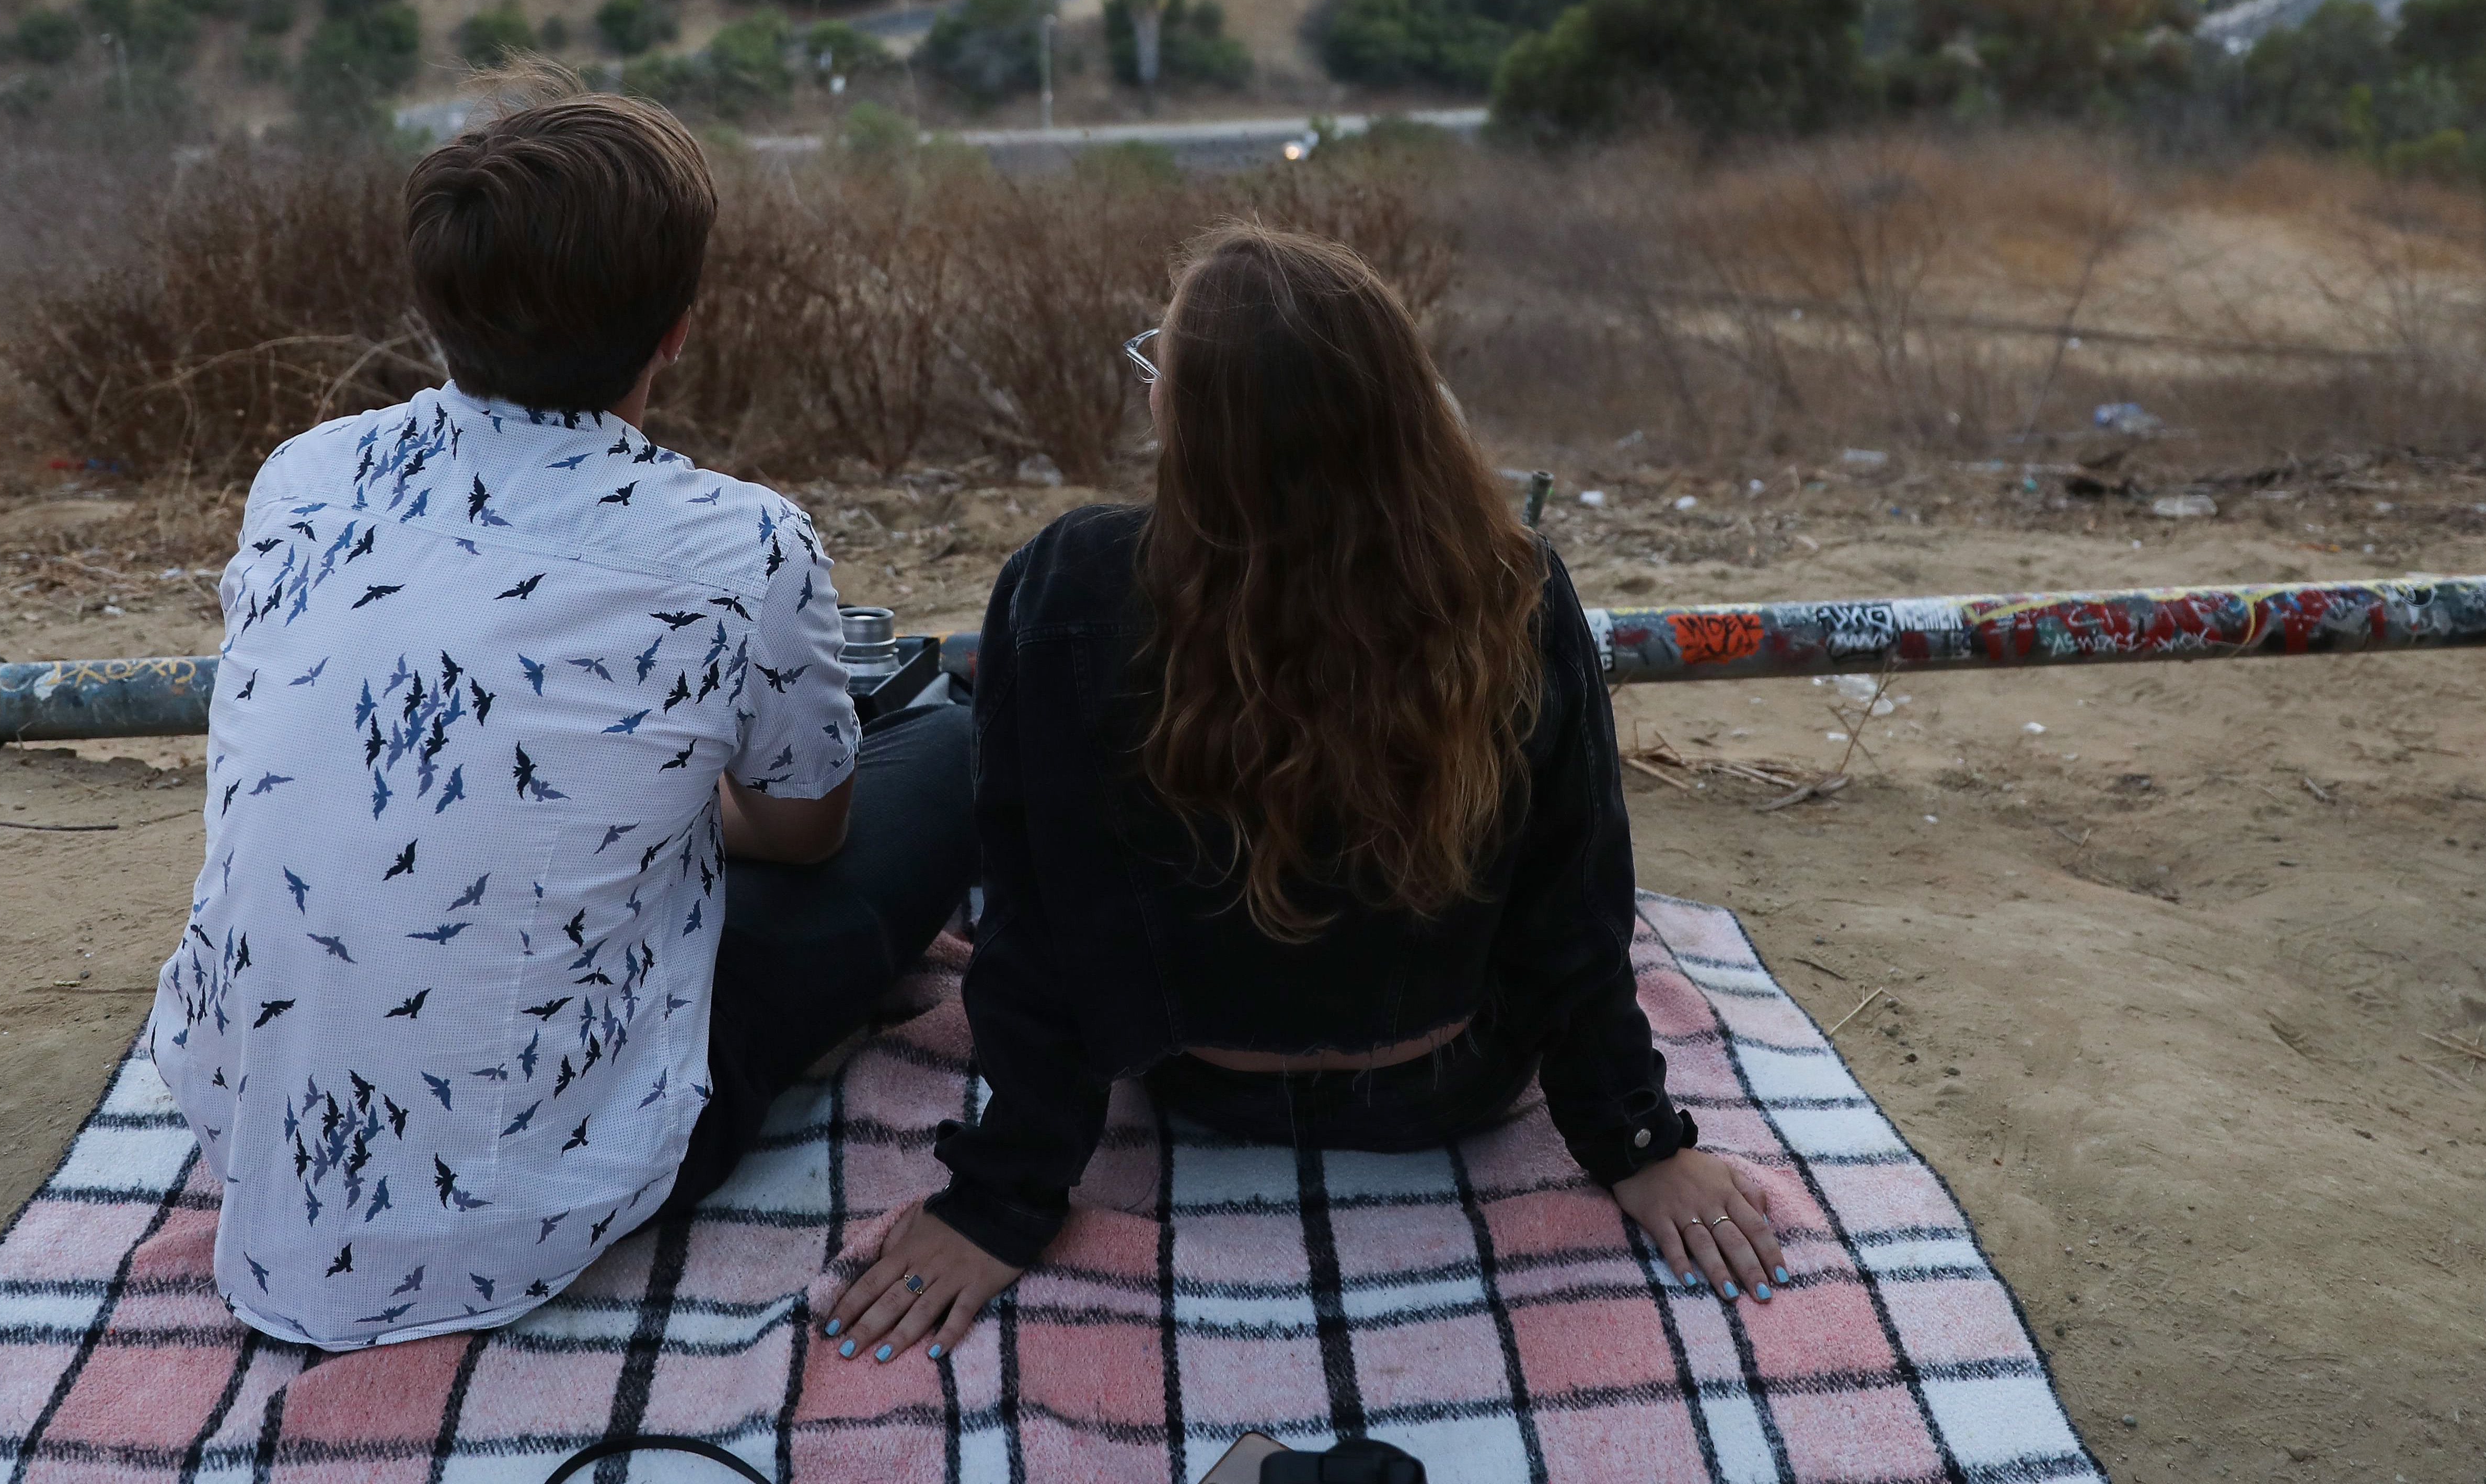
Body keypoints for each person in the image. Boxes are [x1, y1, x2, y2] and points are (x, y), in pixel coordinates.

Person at [826, 223, 1785, 1366]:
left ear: (1190, 420)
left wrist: (1003, 1196)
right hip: (1449, 1088)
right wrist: (1634, 1137)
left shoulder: (1067, 583)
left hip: (1192, 1084)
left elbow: (1036, 922)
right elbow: (1574, 896)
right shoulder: (1508, 580)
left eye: (1159, 371)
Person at [147, 78, 975, 1349]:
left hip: (248, 1125)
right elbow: (807, 833)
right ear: (680, 329)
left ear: (434, 304)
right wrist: (652, 795)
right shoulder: (739, 542)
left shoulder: (306, 475)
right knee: (948, 750)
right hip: (528, 1204)